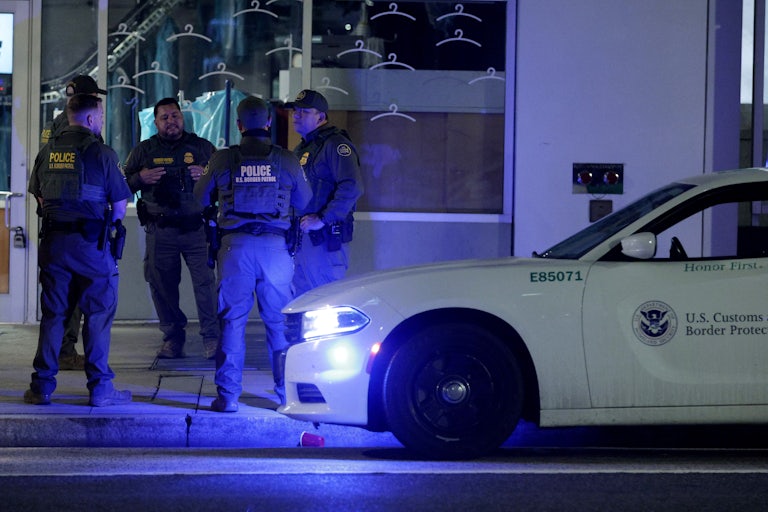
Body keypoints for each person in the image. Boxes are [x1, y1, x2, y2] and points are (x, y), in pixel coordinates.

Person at [195, 96, 312, 411]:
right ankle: (285, 396)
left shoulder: (222, 160)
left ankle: (229, 396)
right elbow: (305, 202)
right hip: (275, 251)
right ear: (270, 123)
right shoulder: (286, 160)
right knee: (278, 325)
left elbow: (199, 198)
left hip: (236, 249)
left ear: (238, 125)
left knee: (232, 322)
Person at [25, 93, 133, 407]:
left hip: (55, 245)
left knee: (54, 315)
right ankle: (100, 389)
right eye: (99, 116)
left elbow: (41, 200)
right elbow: (120, 206)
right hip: (91, 246)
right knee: (98, 315)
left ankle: (41, 387)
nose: (101, 121)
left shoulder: (47, 152)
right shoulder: (101, 152)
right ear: (89, 119)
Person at [123, 98, 220, 360]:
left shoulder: (201, 148)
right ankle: (173, 339)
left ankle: (212, 339)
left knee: (206, 287)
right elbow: (121, 186)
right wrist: (139, 178)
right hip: (160, 229)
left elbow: (226, 184)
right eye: (164, 117)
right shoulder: (143, 151)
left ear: (182, 118)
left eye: (175, 115)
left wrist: (208, 176)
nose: (171, 121)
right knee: (162, 287)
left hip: (196, 230)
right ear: (155, 122)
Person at [40, 74, 108, 371]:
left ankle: (51, 365)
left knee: (58, 299)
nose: (99, 103)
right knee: (80, 298)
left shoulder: (56, 128)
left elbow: (41, 182)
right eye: (96, 99)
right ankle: (67, 352)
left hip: (59, 224)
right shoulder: (78, 130)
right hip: (81, 227)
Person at [284, 89, 363, 296]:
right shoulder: (304, 148)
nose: (296, 115)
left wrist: (322, 219)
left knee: (324, 301)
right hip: (303, 240)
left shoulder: (335, 144)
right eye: (295, 111)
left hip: (324, 240)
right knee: (302, 301)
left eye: (304, 111)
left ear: (321, 116)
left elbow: (352, 186)